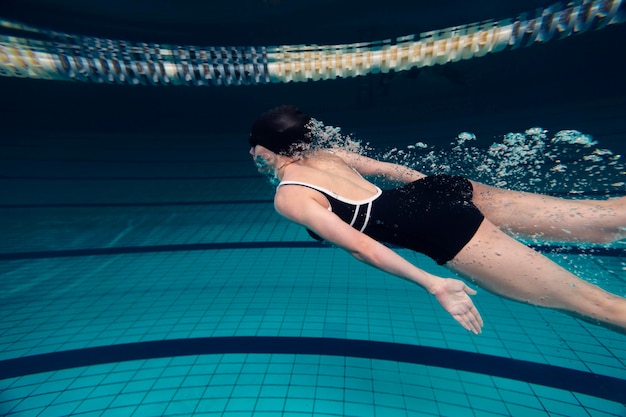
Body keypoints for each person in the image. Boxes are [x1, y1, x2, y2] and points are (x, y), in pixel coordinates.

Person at [248, 105, 626, 335]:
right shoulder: (328, 153)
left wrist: (433, 283)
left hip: (444, 229)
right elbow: (396, 172)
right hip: (441, 190)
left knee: (595, 305)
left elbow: (363, 246)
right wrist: (447, 197)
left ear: (263, 151)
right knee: (607, 217)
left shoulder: (290, 195)